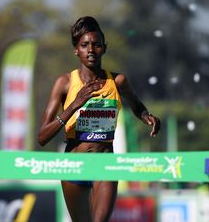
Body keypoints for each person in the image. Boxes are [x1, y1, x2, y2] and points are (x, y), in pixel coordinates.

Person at [37, 16, 161, 222]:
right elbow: (42, 137)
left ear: (104, 48)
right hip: (73, 166)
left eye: (96, 45)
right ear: (76, 50)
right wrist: (75, 104)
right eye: (84, 45)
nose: (91, 50)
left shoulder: (117, 81)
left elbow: (137, 106)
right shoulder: (65, 83)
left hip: (105, 163)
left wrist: (147, 116)